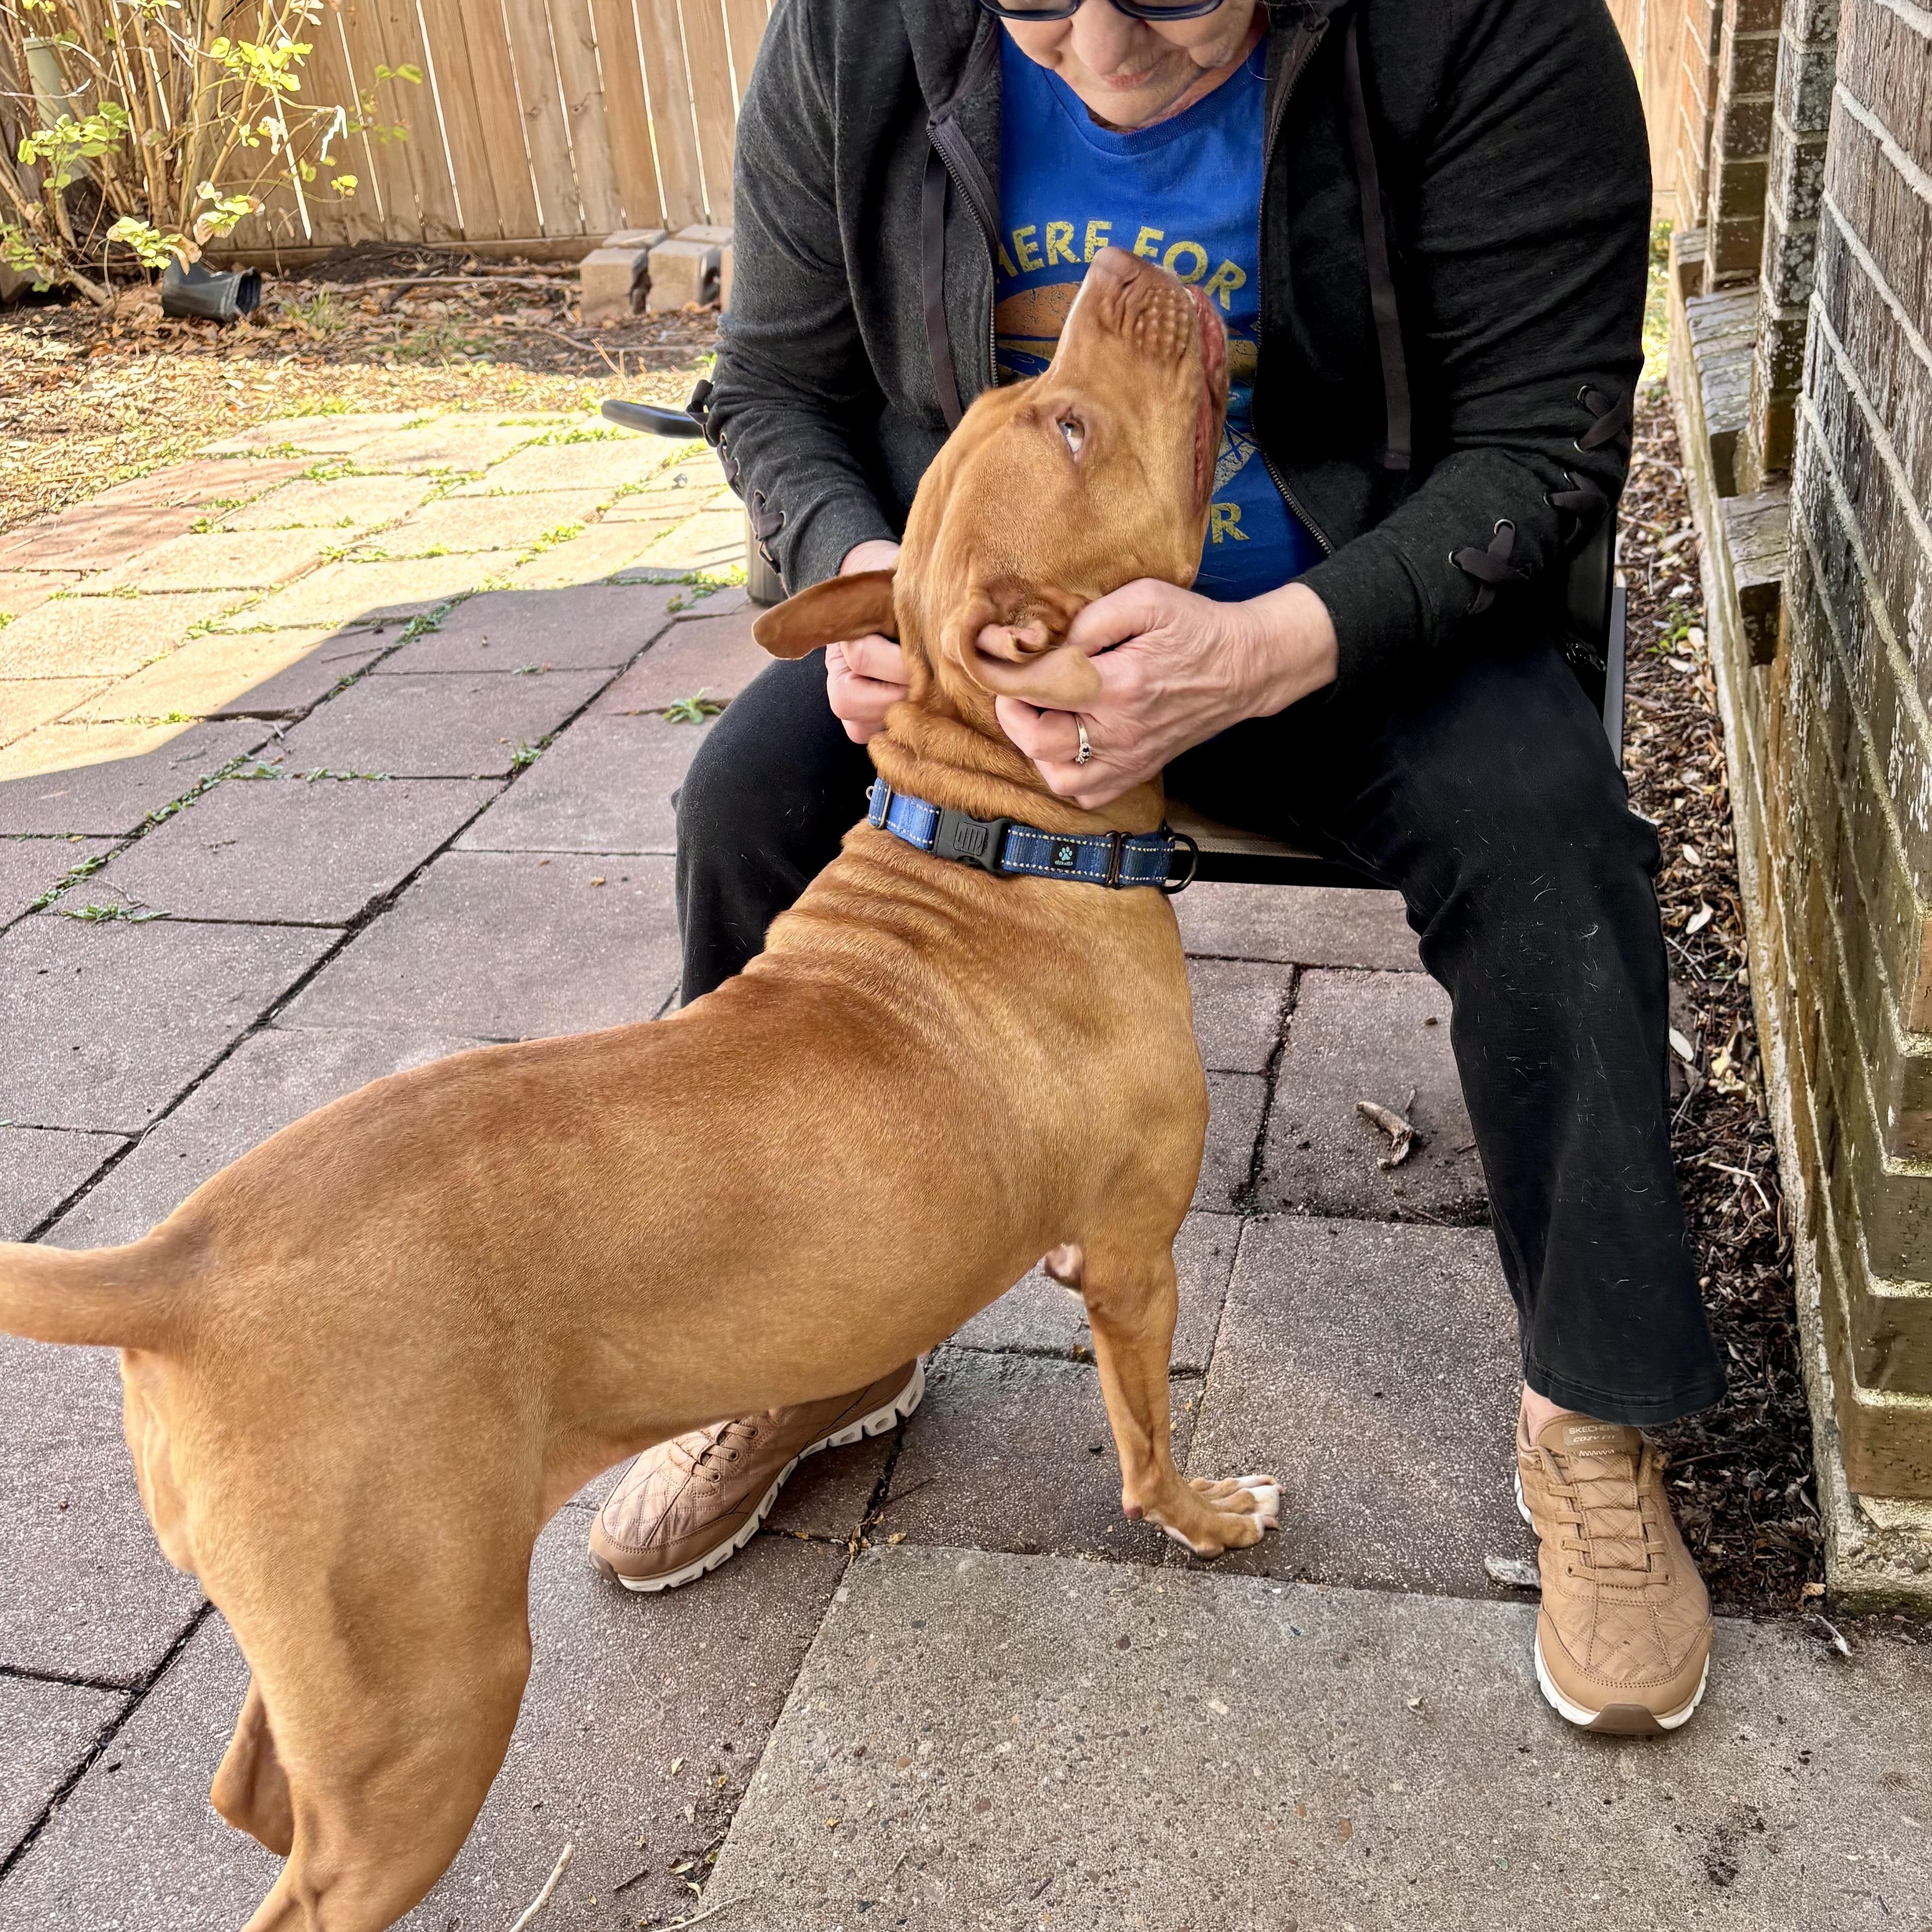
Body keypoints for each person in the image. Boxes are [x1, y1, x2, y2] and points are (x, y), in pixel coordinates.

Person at [588, 0, 1723, 1733]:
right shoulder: (853, 34)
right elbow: (771, 387)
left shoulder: (1486, 32)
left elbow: (1546, 445)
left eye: (1177, 0)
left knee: (1551, 846)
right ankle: (816, 1340)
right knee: (745, 800)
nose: (1108, 57)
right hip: (989, 651)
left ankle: (1588, 1408)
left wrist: (1270, 642)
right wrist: (879, 575)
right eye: (1041, 4)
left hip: (1347, 615)